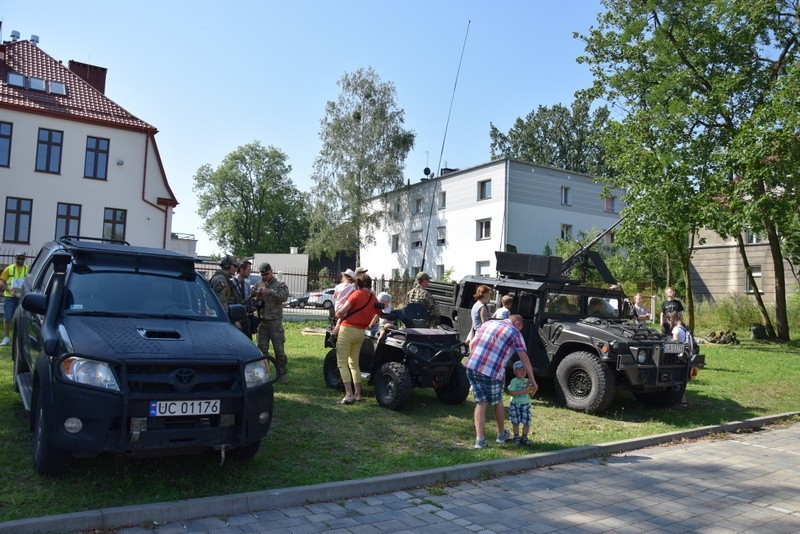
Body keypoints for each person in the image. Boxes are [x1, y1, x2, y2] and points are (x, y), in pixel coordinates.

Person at [464, 314, 537, 449]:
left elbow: (472, 343)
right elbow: (523, 356)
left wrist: (476, 359)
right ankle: (501, 434)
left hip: (472, 366)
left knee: (481, 403)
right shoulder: (515, 332)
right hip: (492, 371)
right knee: (497, 401)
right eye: (520, 328)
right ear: (518, 324)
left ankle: (480, 440)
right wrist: (532, 378)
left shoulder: (488, 323)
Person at [335, 274, 378, 404]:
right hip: (361, 332)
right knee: (354, 363)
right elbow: (378, 313)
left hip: (347, 330)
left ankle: (349, 394)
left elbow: (342, 311)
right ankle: (358, 394)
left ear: (359, 283)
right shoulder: (373, 297)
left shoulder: (356, 294)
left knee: (342, 362)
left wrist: (338, 314)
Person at [253, 263, 290, 383]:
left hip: (275, 322)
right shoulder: (258, 284)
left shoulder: (280, 285)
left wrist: (270, 292)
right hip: (262, 322)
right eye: (262, 275)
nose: (264, 277)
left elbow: (284, 297)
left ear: (271, 271)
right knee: (262, 350)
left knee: (279, 350)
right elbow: (252, 299)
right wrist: (258, 296)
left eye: (266, 274)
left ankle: (282, 374)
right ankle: (264, 374)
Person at [0, 253, 29, 346]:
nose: (21, 260)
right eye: (19, 258)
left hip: (23, 298)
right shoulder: (9, 268)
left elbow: (32, 282)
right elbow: (2, 283)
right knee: (7, 318)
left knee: (25, 319)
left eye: (23, 259)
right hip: (10, 297)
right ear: (15, 257)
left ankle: (23, 339)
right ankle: (6, 338)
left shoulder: (28, 269)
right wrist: (10, 290)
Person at [507, 360, 536, 446]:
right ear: (515, 372)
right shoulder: (514, 381)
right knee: (515, 422)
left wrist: (531, 389)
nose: (522, 372)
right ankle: (516, 437)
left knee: (527, 421)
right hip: (515, 404)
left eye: (524, 370)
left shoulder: (528, 381)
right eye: (519, 370)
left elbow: (531, 392)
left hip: (526, 404)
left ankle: (524, 437)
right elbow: (511, 392)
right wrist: (524, 391)